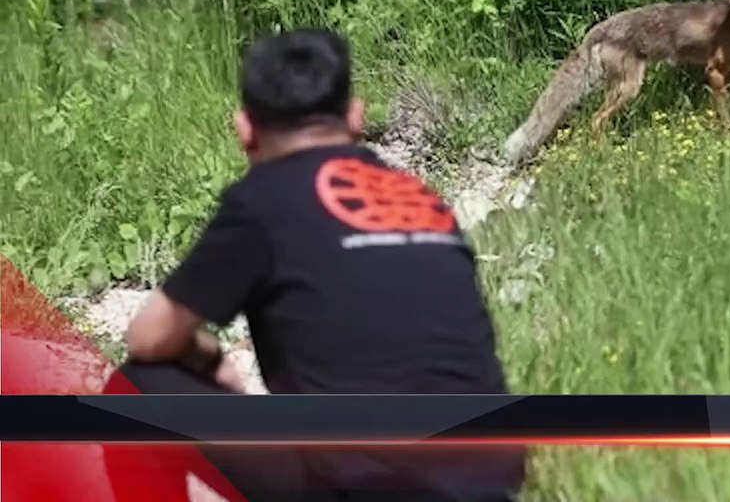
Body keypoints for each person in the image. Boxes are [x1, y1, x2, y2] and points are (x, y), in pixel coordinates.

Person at [109, 28, 526, 501]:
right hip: (491, 480)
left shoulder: (263, 201)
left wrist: (206, 357)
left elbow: (148, 337)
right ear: (356, 117)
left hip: (363, 487)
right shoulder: (420, 199)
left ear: (245, 130)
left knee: (135, 389)